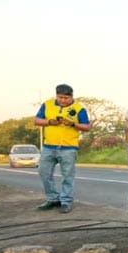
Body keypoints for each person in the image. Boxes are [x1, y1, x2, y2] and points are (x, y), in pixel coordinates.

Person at [34, 84, 91, 213]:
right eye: (60, 97)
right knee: (43, 172)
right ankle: (53, 198)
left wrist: (72, 124)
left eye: (66, 98)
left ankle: (66, 201)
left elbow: (87, 127)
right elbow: (37, 120)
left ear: (72, 97)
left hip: (69, 148)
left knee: (67, 176)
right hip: (49, 146)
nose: (63, 100)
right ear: (56, 96)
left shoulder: (79, 108)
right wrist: (49, 122)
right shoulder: (47, 104)